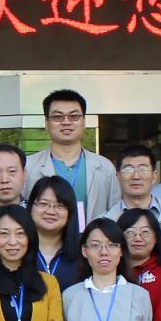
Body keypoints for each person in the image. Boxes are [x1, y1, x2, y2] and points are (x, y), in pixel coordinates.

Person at [24, 89, 120, 226]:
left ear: (84, 121)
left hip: (91, 239)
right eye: (58, 117)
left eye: (74, 116)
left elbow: (114, 212)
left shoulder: (105, 167)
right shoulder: (28, 166)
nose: (66, 122)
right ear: (46, 123)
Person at [112, 144, 161, 248]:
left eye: (143, 169)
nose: (136, 176)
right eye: (128, 170)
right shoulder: (105, 222)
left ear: (154, 176)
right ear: (118, 177)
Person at [26, 175, 84, 290]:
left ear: (70, 211)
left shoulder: (83, 252)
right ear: (31, 206)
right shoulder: (17, 249)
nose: (51, 211)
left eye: (59, 206)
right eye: (43, 204)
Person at [122, 208, 161, 304]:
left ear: (156, 237)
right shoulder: (112, 270)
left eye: (145, 232)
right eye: (130, 232)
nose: (138, 238)